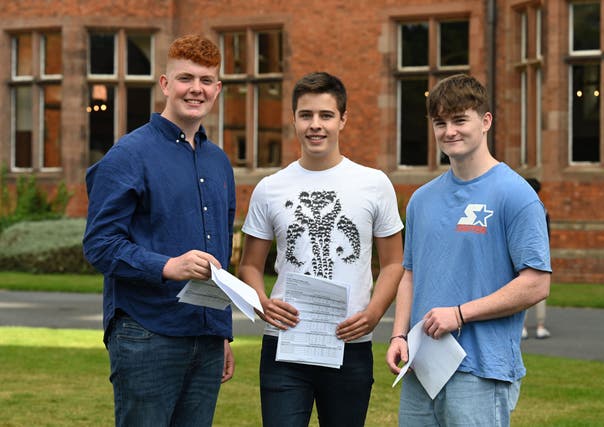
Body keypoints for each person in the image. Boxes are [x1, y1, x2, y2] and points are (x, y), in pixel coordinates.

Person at [83, 34, 235, 427]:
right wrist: (169, 265)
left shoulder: (218, 162)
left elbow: (218, 252)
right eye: (186, 78)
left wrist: (221, 329)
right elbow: (99, 245)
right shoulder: (129, 155)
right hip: (147, 330)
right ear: (165, 84)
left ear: (217, 89)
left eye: (206, 80)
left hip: (205, 335)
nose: (196, 89)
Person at [238, 71, 404, 427]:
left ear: (343, 119)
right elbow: (249, 265)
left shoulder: (374, 184)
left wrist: (373, 314)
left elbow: (394, 263)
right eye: (306, 115)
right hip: (286, 344)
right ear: (294, 119)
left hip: (350, 342)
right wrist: (262, 303)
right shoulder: (270, 188)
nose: (316, 125)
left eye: (326, 115)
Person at [386, 74, 551, 426]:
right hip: (422, 367)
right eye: (440, 122)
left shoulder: (515, 194)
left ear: (486, 121)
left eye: (460, 120)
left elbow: (537, 283)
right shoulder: (421, 200)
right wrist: (399, 335)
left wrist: (459, 314)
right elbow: (410, 275)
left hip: (481, 371)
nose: (450, 131)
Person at [522, 177, 551, 339]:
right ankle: (540, 326)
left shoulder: (521, 206)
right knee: (539, 290)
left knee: (522, 290)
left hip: (523, 253)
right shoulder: (542, 209)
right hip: (540, 254)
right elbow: (547, 234)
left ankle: (523, 327)